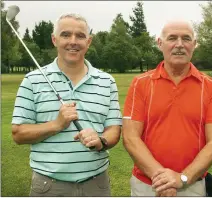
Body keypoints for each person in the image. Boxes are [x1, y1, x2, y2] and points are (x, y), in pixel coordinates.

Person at [11, 13, 122, 196]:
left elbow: (114, 130)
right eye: (65, 35)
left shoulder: (106, 81)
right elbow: (18, 134)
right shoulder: (32, 80)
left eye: (80, 36)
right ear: (54, 40)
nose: (73, 41)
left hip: (97, 184)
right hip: (49, 185)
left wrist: (101, 141)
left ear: (89, 41)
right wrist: (57, 125)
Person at [122, 19, 212, 196]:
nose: (179, 45)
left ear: (194, 44)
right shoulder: (140, 83)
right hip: (147, 185)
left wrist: (182, 178)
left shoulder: (211, 86)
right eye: (172, 38)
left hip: (192, 184)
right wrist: (163, 179)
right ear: (160, 43)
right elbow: (130, 137)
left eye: (186, 38)